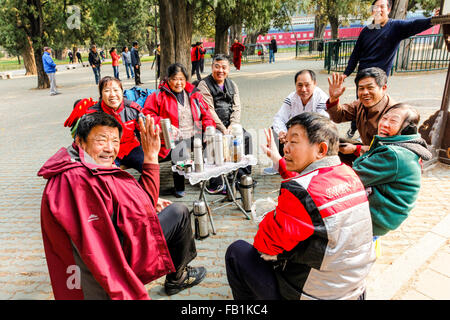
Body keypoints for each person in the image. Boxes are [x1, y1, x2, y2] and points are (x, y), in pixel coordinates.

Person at [39, 112, 206, 300]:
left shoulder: (86, 164)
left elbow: (122, 201)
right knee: (179, 212)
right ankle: (177, 278)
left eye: (115, 141)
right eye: (101, 140)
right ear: (80, 141)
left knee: (177, 211)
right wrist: (127, 292)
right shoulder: (75, 180)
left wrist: (143, 198)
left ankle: (178, 276)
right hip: (110, 262)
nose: (110, 148)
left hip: (121, 241)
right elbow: (98, 251)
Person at [225, 112, 376, 300]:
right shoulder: (349, 174)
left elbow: (266, 246)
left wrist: (272, 217)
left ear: (321, 149)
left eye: (293, 142)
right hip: (353, 288)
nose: (285, 148)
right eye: (285, 141)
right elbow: (313, 193)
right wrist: (278, 159)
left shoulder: (297, 192)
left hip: (312, 293)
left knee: (236, 252)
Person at [343, 0, 438, 138]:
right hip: (363, 76)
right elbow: (355, 54)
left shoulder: (395, 27)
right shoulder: (366, 30)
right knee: (360, 105)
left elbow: (414, 25)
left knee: (376, 107)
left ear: (388, 9)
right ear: (372, 11)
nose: (379, 10)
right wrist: (346, 73)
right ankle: (354, 128)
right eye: (376, 7)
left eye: (382, 7)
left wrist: (432, 20)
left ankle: (372, 134)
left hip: (378, 79)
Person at [352, 103, 432, 236]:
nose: (384, 124)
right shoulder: (409, 145)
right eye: (384, 118)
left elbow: (353, 178)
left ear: (407, 128)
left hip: (373, 221)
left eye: (393, 121)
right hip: (385, 217)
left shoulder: (394, 154)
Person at [143, 63, 216, 198]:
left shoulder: (194, 94)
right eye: (174, 79)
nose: (178, 83)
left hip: (196, 133)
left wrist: (209, 127)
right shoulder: (158, 96)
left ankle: (213, 181)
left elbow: (206, 114)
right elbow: (147, 115)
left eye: (181, 79)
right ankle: (179, 187)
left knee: (212, 140)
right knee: (179, 148)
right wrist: (166, 125)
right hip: (172, 137)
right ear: (167, 79)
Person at [197, 54, 253, 192]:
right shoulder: (203, 84)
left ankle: (242, 177)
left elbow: (237, 107)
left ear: (228, 69)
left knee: (246, 137)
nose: (220, 70)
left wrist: (233, 125)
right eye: (217, 66)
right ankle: (217, 182)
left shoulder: (232, 84)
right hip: (211, 125)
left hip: (230, 124)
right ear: (212, 67)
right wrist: (222, 128)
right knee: (216, 140)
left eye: (224, 67)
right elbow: (208, 109)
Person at [263, 69, 328, 175]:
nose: (303, 89)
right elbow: (279, 118)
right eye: (300, 85)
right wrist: (282, 132)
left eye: (307, 85)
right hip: (297, 130)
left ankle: (309, 166)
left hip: (315, 132)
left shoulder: (322, 98)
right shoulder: (292, 97)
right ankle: (278, 165)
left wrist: (299, 134)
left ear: (315, 84)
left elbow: (322, 123)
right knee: (274, 130)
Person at [326, 67, 396, 162]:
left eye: (370, 88)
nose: (365, 93)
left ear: (383, 88)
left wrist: (357, 149)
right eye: (361, 88)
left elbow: (391, 150)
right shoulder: (359, 104)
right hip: (368, 151)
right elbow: (339, 116)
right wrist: (334, 99)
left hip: (388, 161)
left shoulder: (394, 112)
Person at [85, 76, 144, 173]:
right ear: (101, 94)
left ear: (121, 92)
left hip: (131, 147)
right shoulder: (93, 114)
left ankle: (141, 188)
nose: (112, 95)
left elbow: (145, 131)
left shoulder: (133, 109)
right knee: (107, 174)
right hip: (106, 151)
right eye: (107, 91)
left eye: (116, 90)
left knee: (149, 167)